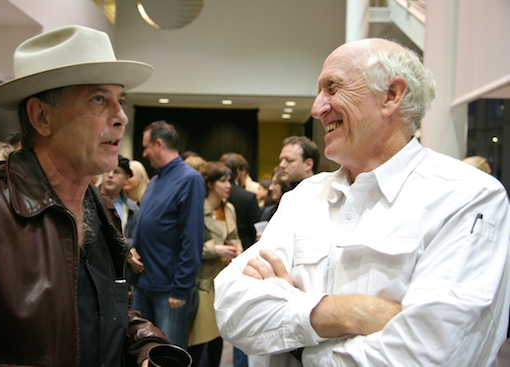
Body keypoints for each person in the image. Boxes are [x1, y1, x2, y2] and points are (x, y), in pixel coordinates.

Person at [214, 38, 510, 366]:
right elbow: (231, 308)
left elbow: (432, 355)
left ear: (391, 95)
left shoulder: (466, 197)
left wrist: (296, 345)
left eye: (332, 88)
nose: (317, 108)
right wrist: (350, 312)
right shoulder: (303, 197)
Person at [0, 25, 170, 367]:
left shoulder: (100, 208)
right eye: (98, 99)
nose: (121, 117)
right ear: (42, 117)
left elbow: (101, 309)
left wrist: (146, 346)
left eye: (121, 101)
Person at [132, 120, 206, 348]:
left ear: (159, 144)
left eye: (146, 147)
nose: (145, 154)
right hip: (144, 283)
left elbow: (192, 237)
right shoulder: (155, 180)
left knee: (169, 353)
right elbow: (147, 225)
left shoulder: (189, 178)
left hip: (169, 289)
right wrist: (132, 246)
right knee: (144, 350)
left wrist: (181, 287)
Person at [188, 161, 242, 367]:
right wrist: (214, 249)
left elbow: (235, 236)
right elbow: (188, 246)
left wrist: (237, 250)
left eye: (229, 180)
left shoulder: (229, 208)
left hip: (223, 279)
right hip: (202, 281)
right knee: (200, 337)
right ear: (209, 184)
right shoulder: (197, 208)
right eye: (222, 181)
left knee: (219, 338)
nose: (228, 185)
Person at [219, 153, 262, 251]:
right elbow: (256, 229)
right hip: (244, 250)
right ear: (239, 171)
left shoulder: (211, 193)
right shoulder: (247, 197)